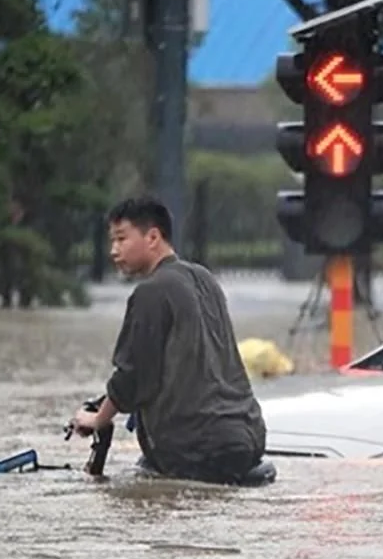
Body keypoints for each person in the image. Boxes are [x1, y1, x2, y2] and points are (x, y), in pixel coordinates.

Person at [68, 196, 268, 484]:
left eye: (122, 239)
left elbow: (133, 377)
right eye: (112, 241)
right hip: (248, 438)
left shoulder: (151, 292)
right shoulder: (205, 278)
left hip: (195, 449)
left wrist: (97, 419)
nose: (113, 250)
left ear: (152, 237)